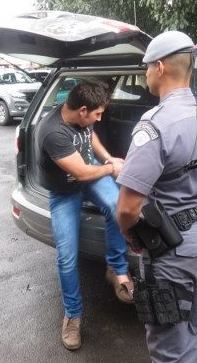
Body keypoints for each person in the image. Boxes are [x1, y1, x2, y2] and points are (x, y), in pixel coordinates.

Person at [116, 31, 197, 363]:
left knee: (170, 347)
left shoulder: (152, 126)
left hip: (173, 248)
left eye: (146, 68)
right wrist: (193, 190)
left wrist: (133, 238)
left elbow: (127, 208)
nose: (145, 74)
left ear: (160, 67)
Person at [36, 79, 133, 350]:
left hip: (89, 171)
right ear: (82, 110)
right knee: (67, 257)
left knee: (118, 208)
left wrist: (108, 159)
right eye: (97, 113)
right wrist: (111, 169)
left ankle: (116, 267)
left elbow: (90, 137)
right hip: (65, 190)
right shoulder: (53, 132)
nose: (99, 118)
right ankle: (73, 316)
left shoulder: (82, 118)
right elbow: (79, 173)